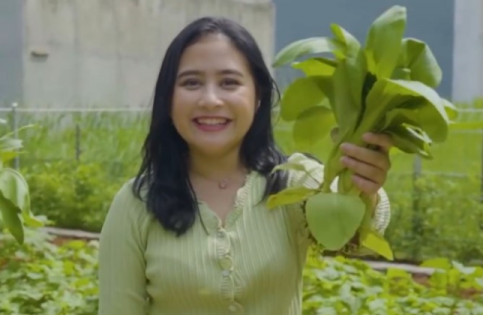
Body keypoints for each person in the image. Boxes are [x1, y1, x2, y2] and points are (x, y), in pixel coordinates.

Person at [98, 16, 393, 315]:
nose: (210, 100)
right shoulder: (135, 205)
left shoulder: (293, 182)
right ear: (168, 99)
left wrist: (364, 189)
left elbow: (359, 239)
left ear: (258, 97)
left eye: (229, 82)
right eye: (191, 82)